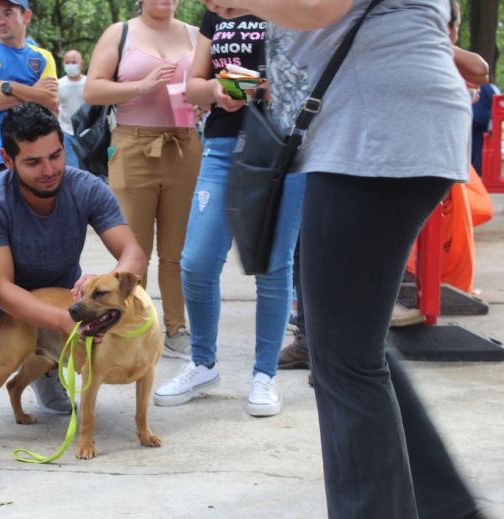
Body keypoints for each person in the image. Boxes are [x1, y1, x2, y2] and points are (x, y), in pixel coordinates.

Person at [203, 1, 484, 517]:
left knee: (344, 361)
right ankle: (444, 504)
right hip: (372, 136)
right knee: (351, 345)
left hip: (374, 140)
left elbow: (315, 7)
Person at [0, 102, 146, 462]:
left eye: (55, 156)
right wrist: (63, 321)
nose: (49, 170)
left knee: (104, 295)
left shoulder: (86, 187)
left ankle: (45, 369)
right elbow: (1, 288)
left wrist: (111, 281)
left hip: (62, 307)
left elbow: (133, 252)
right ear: (7, 159)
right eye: (33, 162)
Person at [152, 10, 299, 417]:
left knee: (272, 263)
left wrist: (273, 86)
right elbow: (193, 86)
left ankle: (264, 375)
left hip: (282, 148)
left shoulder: (295, 3)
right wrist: (218, 90)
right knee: (196, 261)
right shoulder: (217, 11)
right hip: (221, 146)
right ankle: (203, 365)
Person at [84, 0, 202, 359]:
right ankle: (134, 325)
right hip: (133, 145)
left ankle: (176, 328)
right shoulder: (120, 33)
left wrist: (208, 97)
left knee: (177, 251)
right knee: (134, 250)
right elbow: (92, 90)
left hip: (185, 145)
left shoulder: (198, 35)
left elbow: (218, 85)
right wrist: (141, 86)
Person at [0, 0, 58, 187]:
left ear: (26, 16)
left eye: (8, 13)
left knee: (37, 215)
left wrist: (8, 86)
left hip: (36, 155)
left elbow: (50, 101)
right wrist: (34, 91)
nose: (1, 21)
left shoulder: (43, 57)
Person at [58, 49, 86, 168]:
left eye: (74, 62)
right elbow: (54, 108)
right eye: (67, 62)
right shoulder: (58, 84)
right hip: (67, 134)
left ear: (81, 63)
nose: (70, 65)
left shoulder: (89, 83)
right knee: (72, 171)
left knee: (92, 170)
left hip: (87, 134)